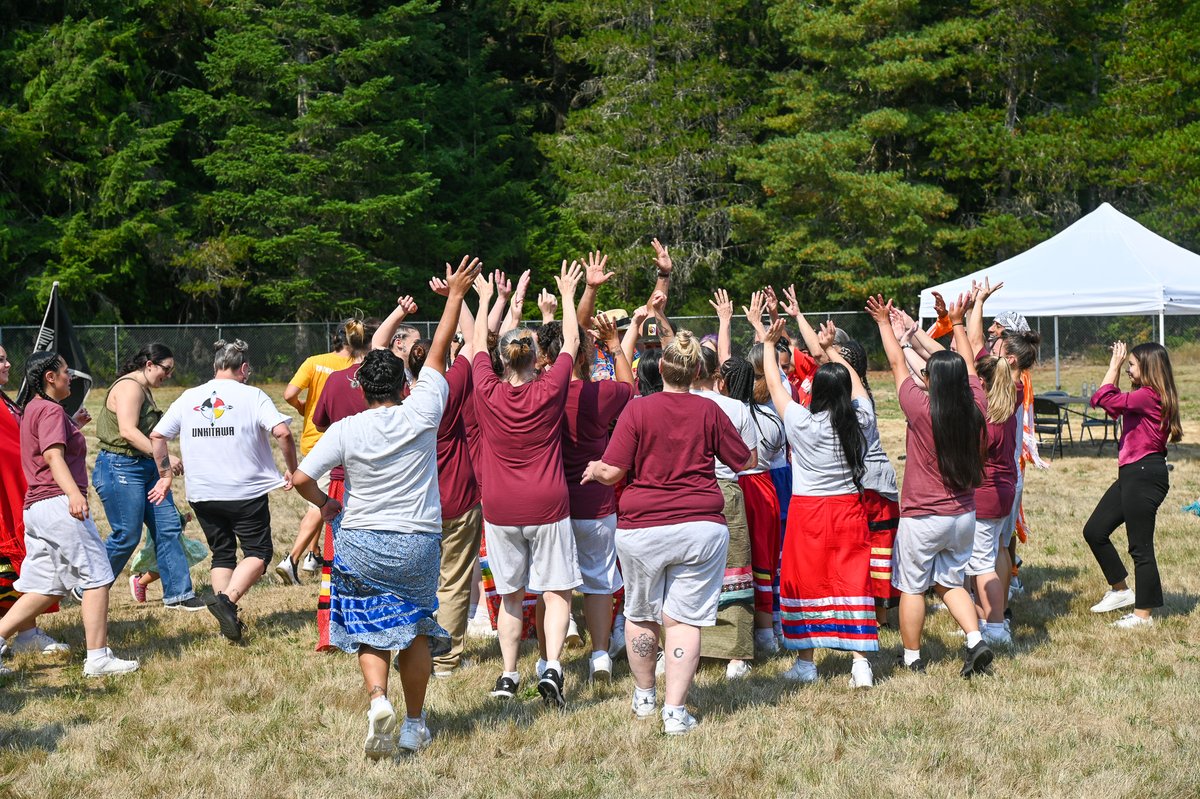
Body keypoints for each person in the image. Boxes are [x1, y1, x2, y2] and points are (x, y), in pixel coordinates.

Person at [292, 257, 477, 758]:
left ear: (361, 389)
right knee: (415, 628)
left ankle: (378, 699)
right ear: (402, 386)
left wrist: (328, 507)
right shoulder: (421, 412)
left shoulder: (345, 429)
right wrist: (455, 296)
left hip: (361, 540)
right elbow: (437, 355)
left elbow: (299, 478)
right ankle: (414, 724)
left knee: (369, 627)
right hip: (416, 540)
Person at [583, 330, 755, 735]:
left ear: (660, 367)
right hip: (700, 528)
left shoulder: (638, 410)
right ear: (698, 371)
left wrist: (594, 471)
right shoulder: (710, 411)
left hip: (642, 529)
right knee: (683, 622)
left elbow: (612, 471)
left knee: (642, 614)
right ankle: (675, 712)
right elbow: (744, 460)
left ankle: (645, 697)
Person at [471, 260, 584, 708]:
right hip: (548, 503)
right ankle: (552, 665)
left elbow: (478, 341)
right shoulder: (550, 387)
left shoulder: (487, 389)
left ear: (501, 359)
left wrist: (484, 301)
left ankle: (508, 674)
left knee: (512, 595)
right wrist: (568, 296)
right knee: (556, 590)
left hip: (499, 507)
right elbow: (572, 342)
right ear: (537, 358)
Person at [867, 293, 994, 678]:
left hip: (923, 516)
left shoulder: (920, 408)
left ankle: (911, 658)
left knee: (912, 587)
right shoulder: (977, 403)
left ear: (932, 380)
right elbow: (969, 364)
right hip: (963, 516)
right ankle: (975, 640)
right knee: (950, 581)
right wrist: (957, 321)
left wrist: (883, 323)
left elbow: (894, 362)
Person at [0, 352, 139, 677]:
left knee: (46, 584)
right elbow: (51, 455)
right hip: (57, 503)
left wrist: (72, 426)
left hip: (36, 509)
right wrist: (73, 494)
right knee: (97, 575)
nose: (70, 378)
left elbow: (36, 447)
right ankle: (98, 657)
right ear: (50, 377)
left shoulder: (33, 408)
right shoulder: (48, 409)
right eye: (65, 372)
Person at [149, 340, 297, 642]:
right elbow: (281, 431)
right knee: (258, 552)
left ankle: (225, 615)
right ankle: (227, 601)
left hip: (202, 491)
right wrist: (292, 468)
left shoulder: (189, 396)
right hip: (244, 490)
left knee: (223, 554)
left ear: (215, 366)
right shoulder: (252, 395)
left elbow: (157, 434)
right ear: (242, 368)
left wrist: (165, 475)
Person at [760, 318, 878, 687]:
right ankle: (860, 663)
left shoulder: (802, 422)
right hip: (848, 508)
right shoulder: (861, 420)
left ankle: (806, 663)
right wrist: (831, 353)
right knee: (853, 579)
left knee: (804, 581)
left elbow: (777, 387)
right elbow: (858, 388)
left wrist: (767, 343)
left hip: (808, 510)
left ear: (817, 394)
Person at [91, 344, 205, 611]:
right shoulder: (130, 386)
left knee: (168, 527)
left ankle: (179, 595)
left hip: (146, 469)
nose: (168, 375)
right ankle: (89, 586)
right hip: (121, 467)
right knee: (127, 535)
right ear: (149, 364)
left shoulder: (144, 389)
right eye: (166, 369)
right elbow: (128, 432)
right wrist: (163, 457)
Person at [1083, 341, 1181, 628]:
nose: (1128, 368)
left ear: (1148, 368)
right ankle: (1120, 590)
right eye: (1127, 365)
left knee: (1140, 547)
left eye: (1132, 364)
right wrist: (1114, 368)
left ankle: (1143, 615)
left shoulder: (1148, 396)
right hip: (1132, 474)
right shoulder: (1144, 397)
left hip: (1144, 475)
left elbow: (1102, 398)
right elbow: (1100, 400)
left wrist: (1112, 365)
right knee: (1095, 530)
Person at [309, 319, 380, 650]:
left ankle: (334, 631)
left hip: (342, 480)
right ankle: (378, 621)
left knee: (337, 560)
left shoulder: (336, 380)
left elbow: (320, 421)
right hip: (381, 479)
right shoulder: (386, 377)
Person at [0, 346, 71, 664]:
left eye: (5, 356)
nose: (8, 362)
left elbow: (22, 445)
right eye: (0, 359)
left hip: (16, 492)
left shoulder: (5, 401)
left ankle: (26, 634)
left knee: (22, 569)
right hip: (5, 497)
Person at [691, 347, 758, 679]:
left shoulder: (669, 402)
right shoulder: (735, 407)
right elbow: (750, 460)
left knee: (685, 572)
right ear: (715, 375)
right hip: (724, 489)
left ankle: (682, 646)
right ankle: (735, 654)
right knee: (734, 571)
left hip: (683, 491)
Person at [276, 322, 360, 584]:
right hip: (335, 442)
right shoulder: (354, 367)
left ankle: (313, 554)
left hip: (312, 438)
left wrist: (303, 408)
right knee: (320, 503)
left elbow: (289, 394)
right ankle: (291, 559)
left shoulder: (314, 362)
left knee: (324, 495)